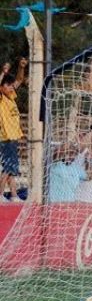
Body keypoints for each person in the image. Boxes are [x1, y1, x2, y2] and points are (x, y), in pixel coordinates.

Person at [0, 59, 28, 202]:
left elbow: (19, 80)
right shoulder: (1, 98)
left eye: (11, 85)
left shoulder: (10, 96)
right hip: (5, 137)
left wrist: (21, 67)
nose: (11, 87)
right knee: (9, 166)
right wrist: (3, 72)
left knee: (11, 167)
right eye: (7, 85)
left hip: (13, 137)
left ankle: (14, 194)